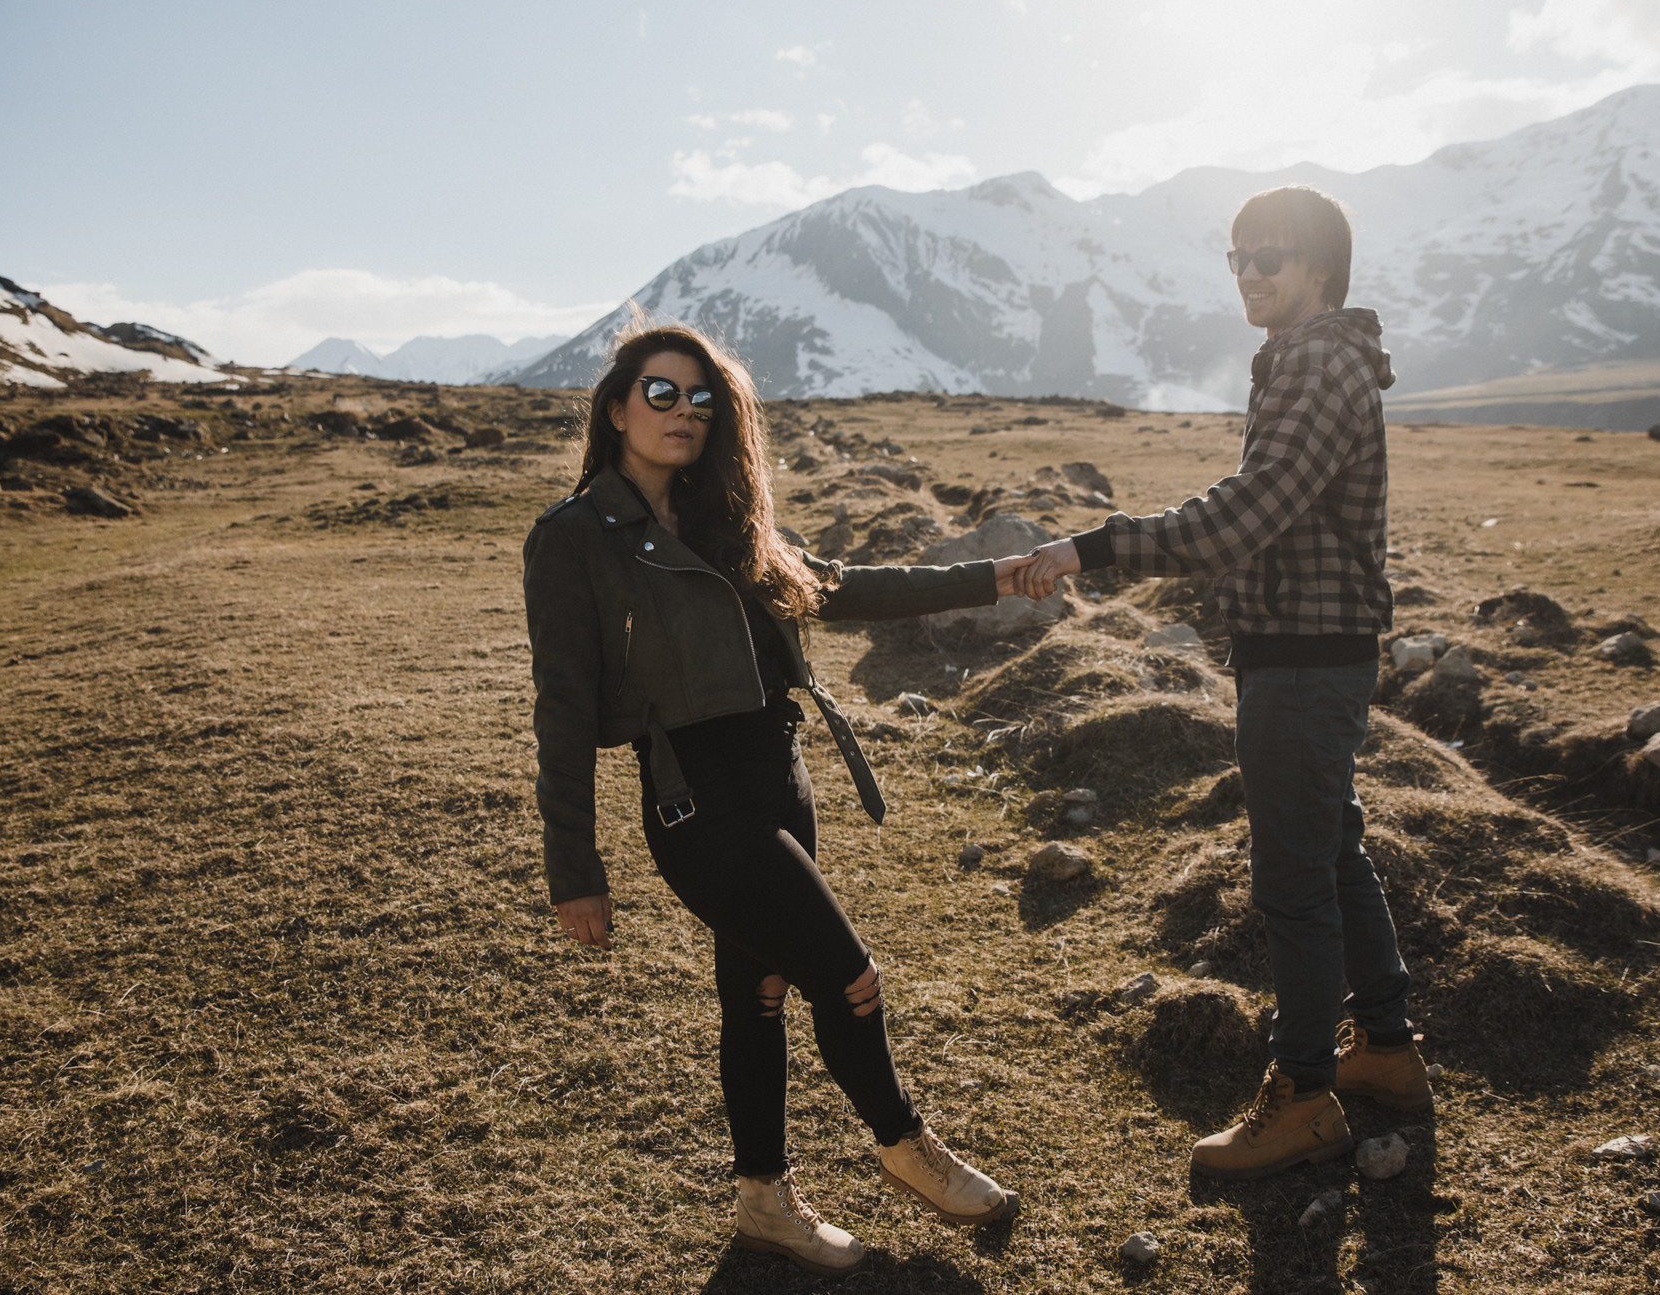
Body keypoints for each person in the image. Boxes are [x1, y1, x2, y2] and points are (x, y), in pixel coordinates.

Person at [522, 318, 1027, 1277]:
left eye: (702, 398)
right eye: (662, 394)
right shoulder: (575, 538)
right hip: (696, 802)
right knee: (848, 974)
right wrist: (573, 870)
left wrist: (987, 576)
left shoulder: (725, 521)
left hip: (780, 777)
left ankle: (763, 1200)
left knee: (755, 994)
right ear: (618, 407)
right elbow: (560, 711)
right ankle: (906, 1143)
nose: (684, 413)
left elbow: (838, 587)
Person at [1019, 185, 1431, 1179]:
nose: (1248, 274)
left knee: (1291, 884)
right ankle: (1382, 1052)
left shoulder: (1319, 366)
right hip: (1305, 649)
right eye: (1236, 257)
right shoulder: (1310, 360)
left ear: (1319, 269)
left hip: (1299, 658)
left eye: (1269, 257)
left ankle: (1300, 1097)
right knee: (1330, 848)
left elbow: (1245, 513)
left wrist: (1096, 547)